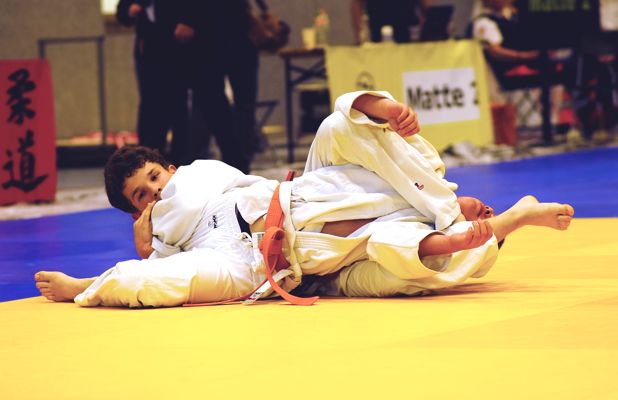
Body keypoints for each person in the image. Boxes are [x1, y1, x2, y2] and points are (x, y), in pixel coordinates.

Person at [34, 91, 574, 307]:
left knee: (338, 125)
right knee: (401, 276)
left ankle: (385, 117)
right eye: (142, 195)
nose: (155, 192)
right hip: (278, 263)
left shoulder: (202, 175)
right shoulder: (163, 238)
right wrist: (145, 250)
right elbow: (159, 274)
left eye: (154, 177)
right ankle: (501, 223)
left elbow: (206, 189)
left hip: (294, 198)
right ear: (135, 209)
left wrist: (155, 233)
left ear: (169, 168)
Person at [185, 0, 260, 173]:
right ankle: (235, 157)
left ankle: (239, 159)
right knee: (214, 102)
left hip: (231, 31)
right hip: (209, 35)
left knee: (240, 104)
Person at [116, 0, 194, 166]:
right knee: (150, 107)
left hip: (175, 47)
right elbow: (122, 12)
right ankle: (147, 160)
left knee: (178, 106)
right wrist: (130, 11)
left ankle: (181, 161)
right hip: (148, 50)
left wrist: (188, 22)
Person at [351, 0, 432, 44]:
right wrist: (360, 36)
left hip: (408, 34)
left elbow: (427, 6)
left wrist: (428, 30)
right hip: (377, 35)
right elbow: (357, 4)